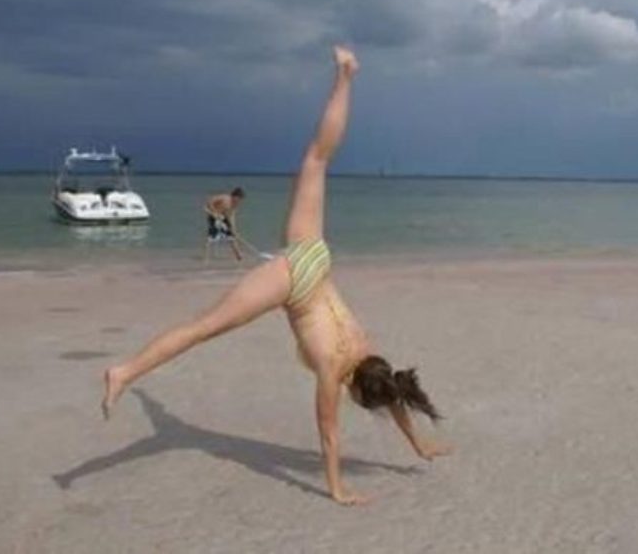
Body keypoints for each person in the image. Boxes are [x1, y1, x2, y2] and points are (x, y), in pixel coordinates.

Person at [102, 46, 450, 506]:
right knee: (202, 328)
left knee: (317, 159)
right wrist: (338, 489)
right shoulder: (334, 369)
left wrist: (419, 444)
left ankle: (346, 75)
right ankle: (122, 372)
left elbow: (393, 391)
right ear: (357, 393)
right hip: (293, 282)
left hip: (316, 258)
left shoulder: (368, 352)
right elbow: (329, 433)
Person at [203, 187, 245, 263]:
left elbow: (231, 216)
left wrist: (233, 228)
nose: (239, 201)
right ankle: (205, 258)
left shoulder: (234, 205)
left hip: (223, 217)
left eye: (240, 199)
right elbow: (210, 201)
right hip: (213, 216)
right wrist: (214, 212)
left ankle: (238, 256)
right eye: (239, 198)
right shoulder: (224, 198)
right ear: (235, 196)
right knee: (211, 238)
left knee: (232, 237)